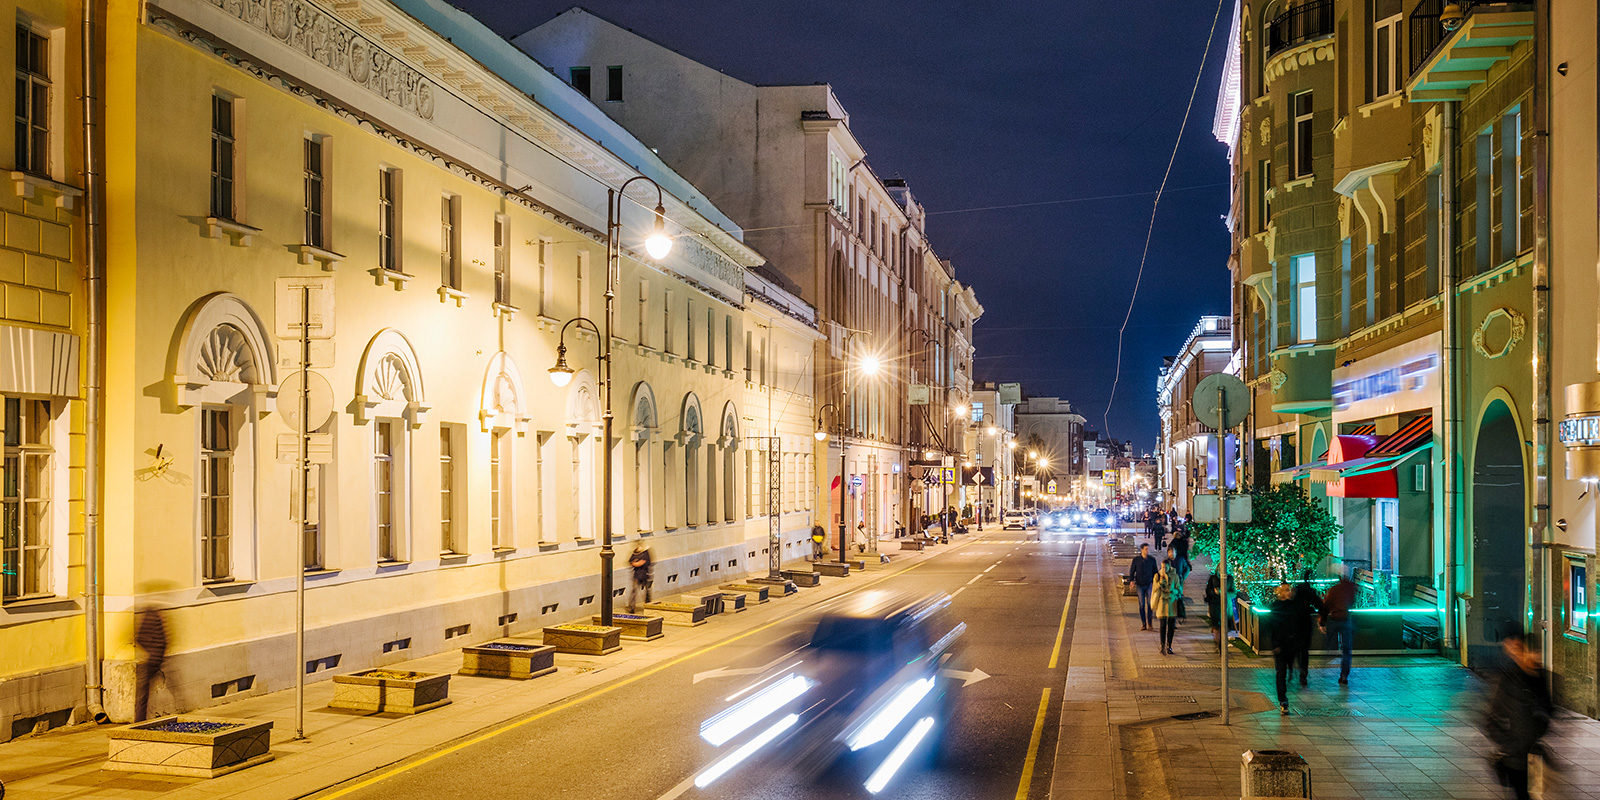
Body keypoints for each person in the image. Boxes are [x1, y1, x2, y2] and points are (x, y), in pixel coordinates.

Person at [1482, 632, 1554, 800]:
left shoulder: (1539, 678)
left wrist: (1540, 728)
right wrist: (1509, 743)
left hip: (1534, 754)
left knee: (1535, 795)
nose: (1536, 657)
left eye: (1538, 652)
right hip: (1514, 756)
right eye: (1532, 652)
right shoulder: (1508, 678)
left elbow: (1548, 709)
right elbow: (1491, 717)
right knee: (1522, 794)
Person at [1320, 566, 1358, 685]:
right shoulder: (1351, 588)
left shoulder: (1334, 590)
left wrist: (1322, 621)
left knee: (1329, 642)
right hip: (1346, 619)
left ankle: (1326, 659)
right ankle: (1344, 675)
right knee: (1347, 649)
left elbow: (1326, 605)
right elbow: (1352, 602)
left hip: (1334, 619)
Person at [133, 601, 169, 721]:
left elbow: (140, 638)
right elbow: (162, 640)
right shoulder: (154, 618)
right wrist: (155, 652)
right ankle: (140, 719)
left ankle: (140, 719)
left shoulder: (149, 618)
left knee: (142, 693)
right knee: (143, 693)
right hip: (152, 659)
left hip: (150, 658)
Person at [1289, 568, 1325, 686]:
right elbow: (1320, 606)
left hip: (1294, 623)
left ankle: (1290, 670)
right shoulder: (1310, 591)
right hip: (1305, 623)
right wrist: (1321, 620)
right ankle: (1303, 674)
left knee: (1294, 648)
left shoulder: (1295, 590)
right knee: (1304, 650)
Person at [1269, 583, 1299, 714]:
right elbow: (1271, 628)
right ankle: (1283, 701)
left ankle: (1289, 680)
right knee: (1281, 672)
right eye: (1286, 590)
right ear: (1281, 593)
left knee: (1289, 670)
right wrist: (1275, 644)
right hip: (1280, 646)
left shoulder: (1293, 606)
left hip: (1291, 644)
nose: (1289, 592)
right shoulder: (1275, 607)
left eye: (1289, 590)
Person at [1152, 557, 1183, 654]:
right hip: (1162, 603)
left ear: (1170, 566)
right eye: (1162, 567)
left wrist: (1173, 590)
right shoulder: (1157, 575)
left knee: (1171, 626)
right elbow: (1154, 589)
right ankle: (1162, 645)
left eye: (1165, 567)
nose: (1164, 569)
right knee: (1162, 625)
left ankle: (1169, 645)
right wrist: (1160, 583)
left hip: (1171, 603)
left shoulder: (1175, 576)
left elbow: (1179, 589)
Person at [1128, 543, 1158, 631]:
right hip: (1140, 584)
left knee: (1150, 604)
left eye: (1148, 549)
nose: (1147, 551)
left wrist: (1156, 581)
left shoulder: (1152, 560)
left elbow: (1155, 571)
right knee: (1141, 604)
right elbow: (1132, 570)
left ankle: (1150, 623)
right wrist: (1132, 580)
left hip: (1149, 584)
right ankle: (1143, 623)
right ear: (1141, 550)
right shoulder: (1136, 560)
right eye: (1145, 549)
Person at [626, 541, 653, 613]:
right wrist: (637, 563)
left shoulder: (646, 552)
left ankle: (648, 606)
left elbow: (647, 562)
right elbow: (631, 562)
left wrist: (638, 563)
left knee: (647, 591)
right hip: (636, 575)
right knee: (634, 591)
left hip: (645, 574)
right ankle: (631, 607)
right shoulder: (634, 553)